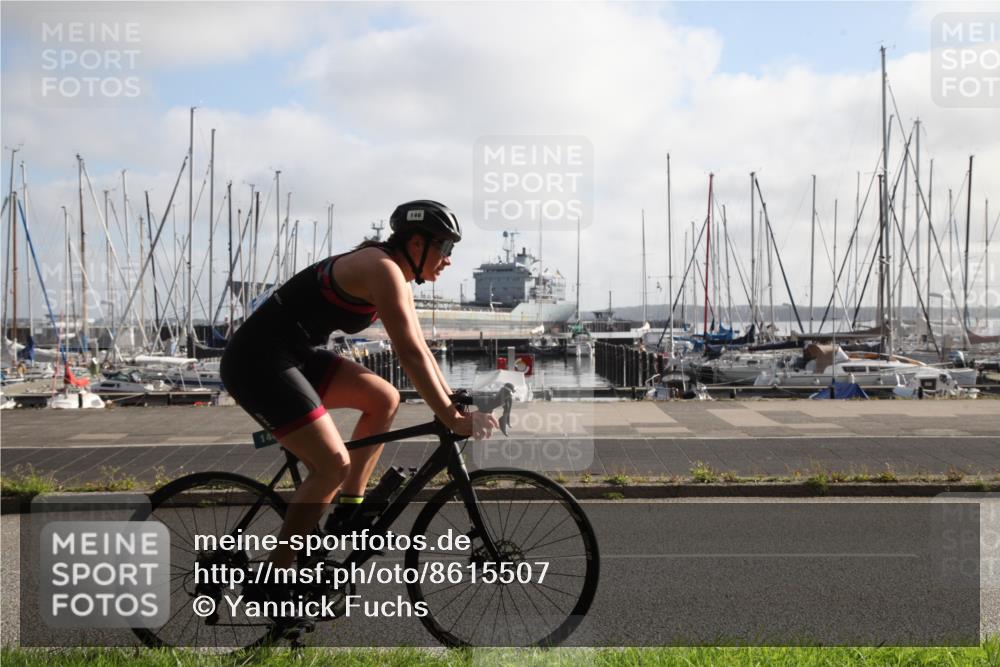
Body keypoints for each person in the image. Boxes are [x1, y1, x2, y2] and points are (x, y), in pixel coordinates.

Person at [220, 200, 498, 573]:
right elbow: (409, 354)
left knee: (384, 398)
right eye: (445, 247)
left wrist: (452, 402)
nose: (449, 259)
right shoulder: (381, 268)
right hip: (256, 361)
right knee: (332, 466)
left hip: (294, 355)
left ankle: (349, 511)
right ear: (417, 243)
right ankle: (275, 577)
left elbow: (420, 347)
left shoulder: (394, 273)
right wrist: (451, 418)